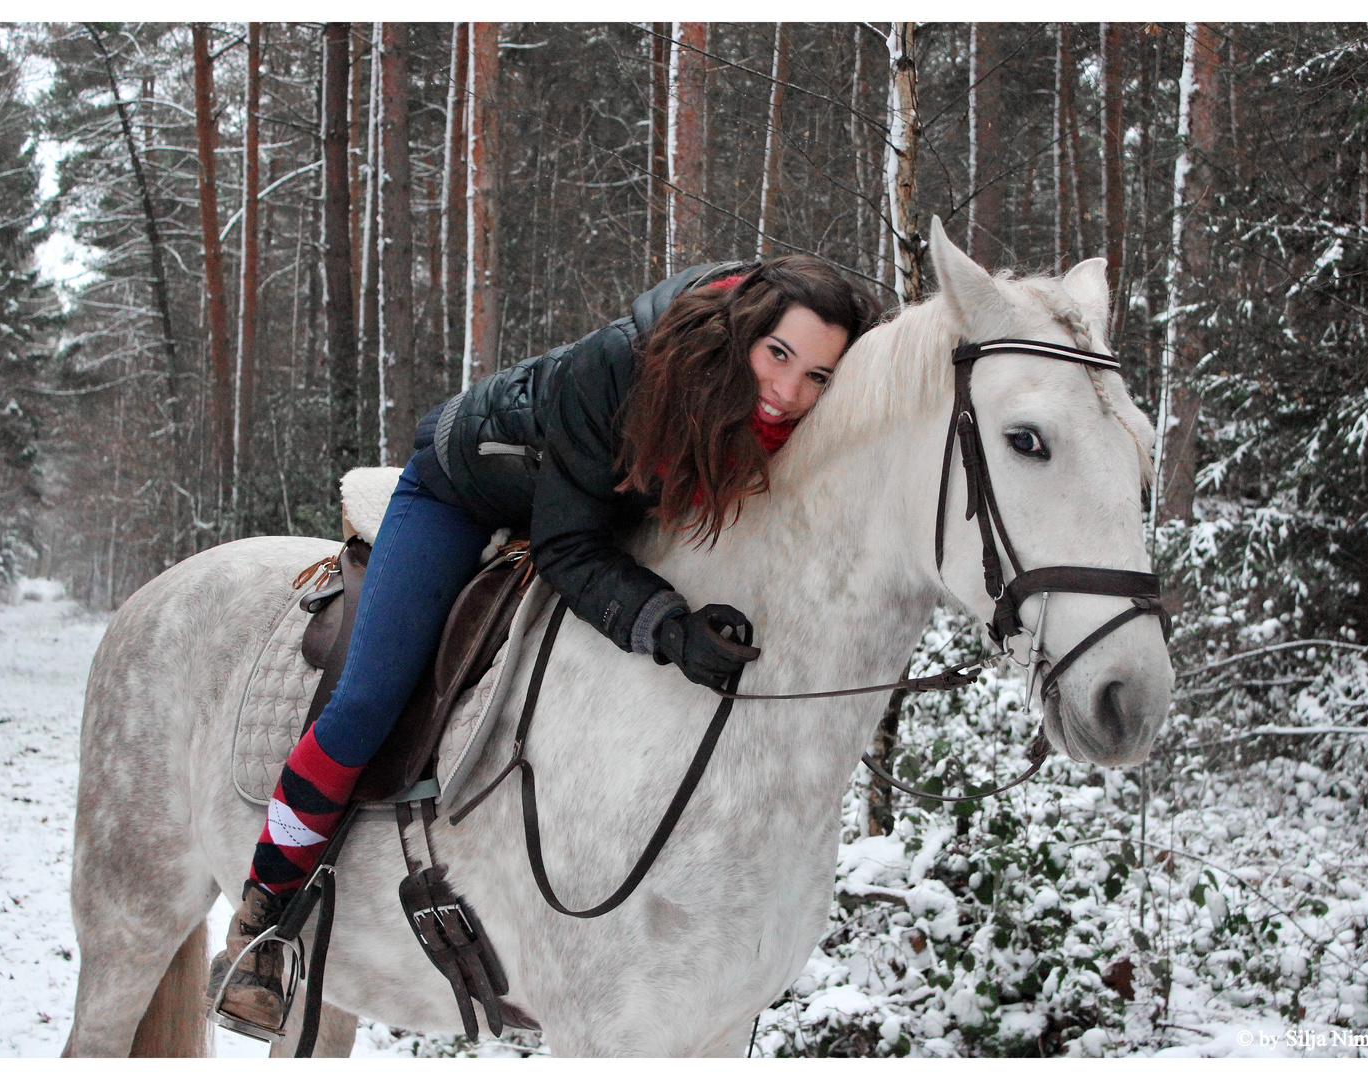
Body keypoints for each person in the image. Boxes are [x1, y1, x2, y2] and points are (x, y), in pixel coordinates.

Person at [206, 255, 881, 1033]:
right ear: (742, 332)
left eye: (819, 377)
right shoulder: (623, 370)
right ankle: (264, 914)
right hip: (466, 490)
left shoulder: (793, 416)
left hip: (594, 505)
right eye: (779, 356)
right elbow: (568, 549)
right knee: (367, 700)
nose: (789, 393)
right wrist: (665, 627)